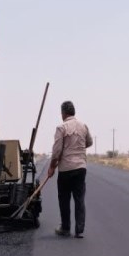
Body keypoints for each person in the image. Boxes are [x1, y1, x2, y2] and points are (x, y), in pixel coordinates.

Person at [48, 100, 93, 238]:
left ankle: (65, 228)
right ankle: (79, 230)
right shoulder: (83, 126)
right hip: (80, 168)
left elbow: (56, 151)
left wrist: (51, 167)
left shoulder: (61, 128)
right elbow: (89, 142)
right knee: (79, 199)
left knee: (64, 199)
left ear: (63, 113)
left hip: (66, 169)